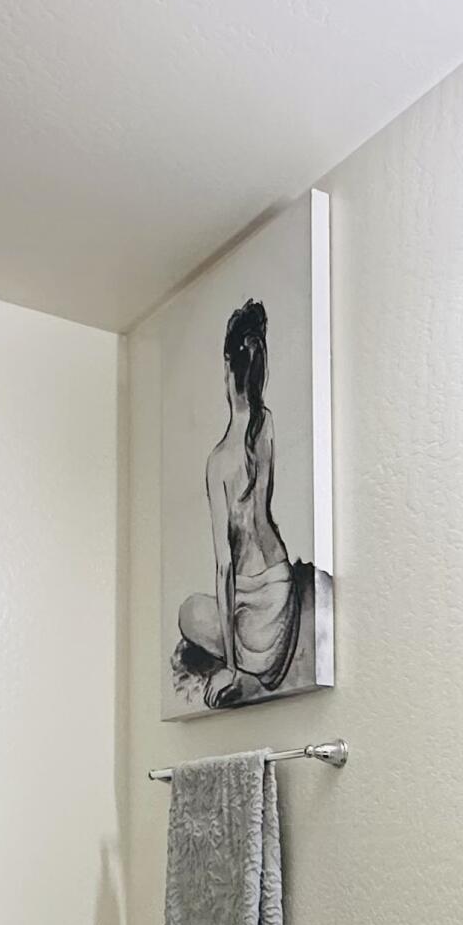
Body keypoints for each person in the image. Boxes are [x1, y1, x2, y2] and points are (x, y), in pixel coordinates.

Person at [176, 299, 313, 705]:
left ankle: (249, 660)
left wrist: (232, 668)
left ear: (226, 369)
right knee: (216, 604)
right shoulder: (265, 423)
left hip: (259, 632)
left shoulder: (218, 462)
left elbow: (225, 568)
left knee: (188, 611)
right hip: (281, 588)